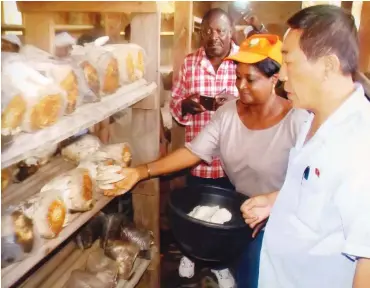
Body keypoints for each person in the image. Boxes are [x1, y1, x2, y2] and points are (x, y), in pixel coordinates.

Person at [104, 34, 309, 288]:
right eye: (237, 77)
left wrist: (272, 206)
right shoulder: (228, 114)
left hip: (282, 221)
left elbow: (312, 185)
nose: (240, 85)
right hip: (244, 217)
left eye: (250, 79)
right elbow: (192, 152)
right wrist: (142, 171)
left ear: (274, 79)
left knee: (258, 276)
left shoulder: (298, 121)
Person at [242, 5, 370, 288]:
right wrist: (276, 201)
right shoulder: (312, 117)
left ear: (327, 66)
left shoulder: (361, 146)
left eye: (289, 63)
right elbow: (319, 189)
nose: (283, 76)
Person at [170, 8, 239, 191]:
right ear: (201, 34)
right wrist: (184, 105)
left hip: (236, 166)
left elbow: (262, 106)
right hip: (199, 164)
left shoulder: (244, 61)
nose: (213, 36)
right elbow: (175, 102)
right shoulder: (189, 63)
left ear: (230, 32)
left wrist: (237, 104)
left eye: (220, 31)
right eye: (208, 31)